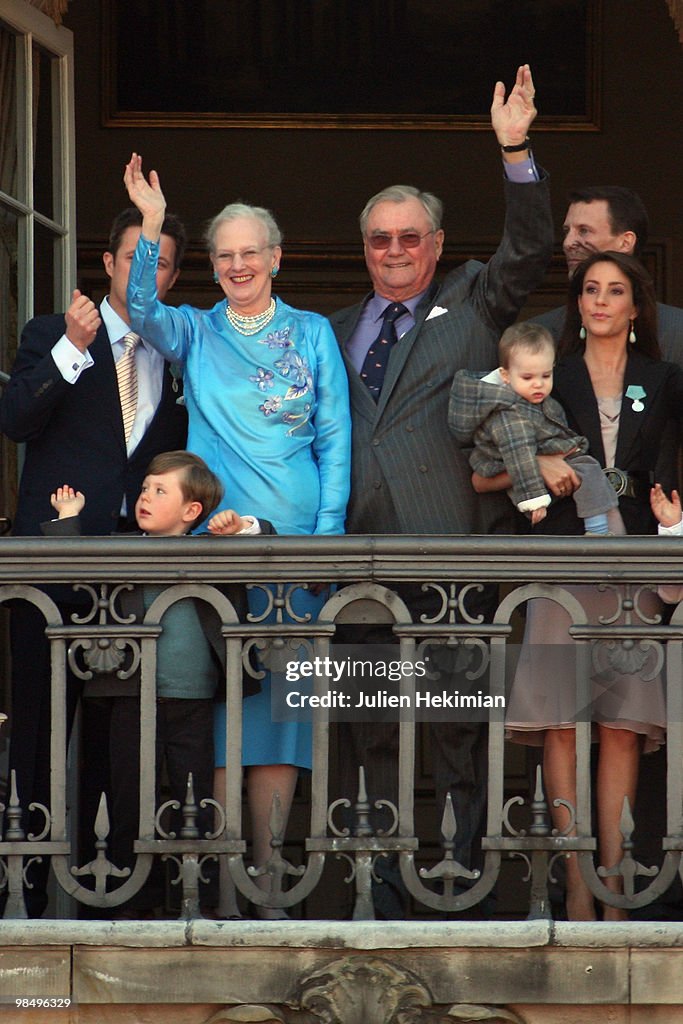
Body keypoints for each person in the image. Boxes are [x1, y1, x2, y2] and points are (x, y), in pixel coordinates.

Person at [327, 65, 554, 916]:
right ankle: (377, 878)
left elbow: (529, 248)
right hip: (359, 555)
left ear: (433, 241)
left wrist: (515, 149)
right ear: (365, 249)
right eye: (379, 240)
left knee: (458, 727)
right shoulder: (337, 330)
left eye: (408, 237)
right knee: (371, 728)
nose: (393, 251)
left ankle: (460, 879)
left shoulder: (471, 299)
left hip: (454, 545)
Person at [122, 153, 351, 915]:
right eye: (224, 255)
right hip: (216, 557)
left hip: (292, 552)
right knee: (224, 711)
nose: (238, 264)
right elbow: (141, 309)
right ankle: (222, 884)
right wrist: (152, 227)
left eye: (251, 251)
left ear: (276, 258)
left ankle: (271, 879)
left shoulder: (313, 333)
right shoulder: (193, 330)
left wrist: (323, 544)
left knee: (284, 720)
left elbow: (334, 439)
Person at [0, 207, 188, 917]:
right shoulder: (53, 333)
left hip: (140, 574)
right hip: (53, 567)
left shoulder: (176, 350)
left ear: (170, 277)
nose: (147, 272)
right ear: (108, 263)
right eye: (136, 256)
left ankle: (111, 891)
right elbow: (15, 420)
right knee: (41, 732)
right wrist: (72, 350)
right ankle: (24, 892)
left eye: (161, 263)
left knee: (124, 738)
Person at [502, 251, 683, 920]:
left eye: (615, 291)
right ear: (576, 303)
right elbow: (489, 441)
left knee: (620, 728)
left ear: (636, 306)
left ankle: (614, 893)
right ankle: (576, 888)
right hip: (562, 557)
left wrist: (676, 524)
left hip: (634, 559)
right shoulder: (550, 376)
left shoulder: (663, 377)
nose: (600, 301)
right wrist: (538, 459)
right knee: (560, 723)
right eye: (589, 290)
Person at [43, 451, 273, 917]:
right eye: (145, 488)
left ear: (192, 511)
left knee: (196, 805)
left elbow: (265, 540)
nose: (146, 497)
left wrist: (239, 528)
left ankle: (198, 904)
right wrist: (68, 519)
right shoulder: (122, 549)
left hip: (193, 703)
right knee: (130, 802)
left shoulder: (213, 551)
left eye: (160, 491)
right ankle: (134, 907)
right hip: (130, 698)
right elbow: (72, 568)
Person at [450, 322, 619, 532]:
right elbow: (518, 454)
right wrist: (534, 499)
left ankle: (599, 528)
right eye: (527, 377)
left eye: (546, 376)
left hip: (532, 460)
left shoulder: (532, 400)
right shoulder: (509, 413)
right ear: (505, 376)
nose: (538, 384)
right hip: (507, 464)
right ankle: (598, 530)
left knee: (588, 469)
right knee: (588, 469)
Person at [534, 186, 683, 364]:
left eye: (583, 230)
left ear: (625, 242)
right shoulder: (539, 334)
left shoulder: (676, 333)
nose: (567, 243)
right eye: (567, 231)